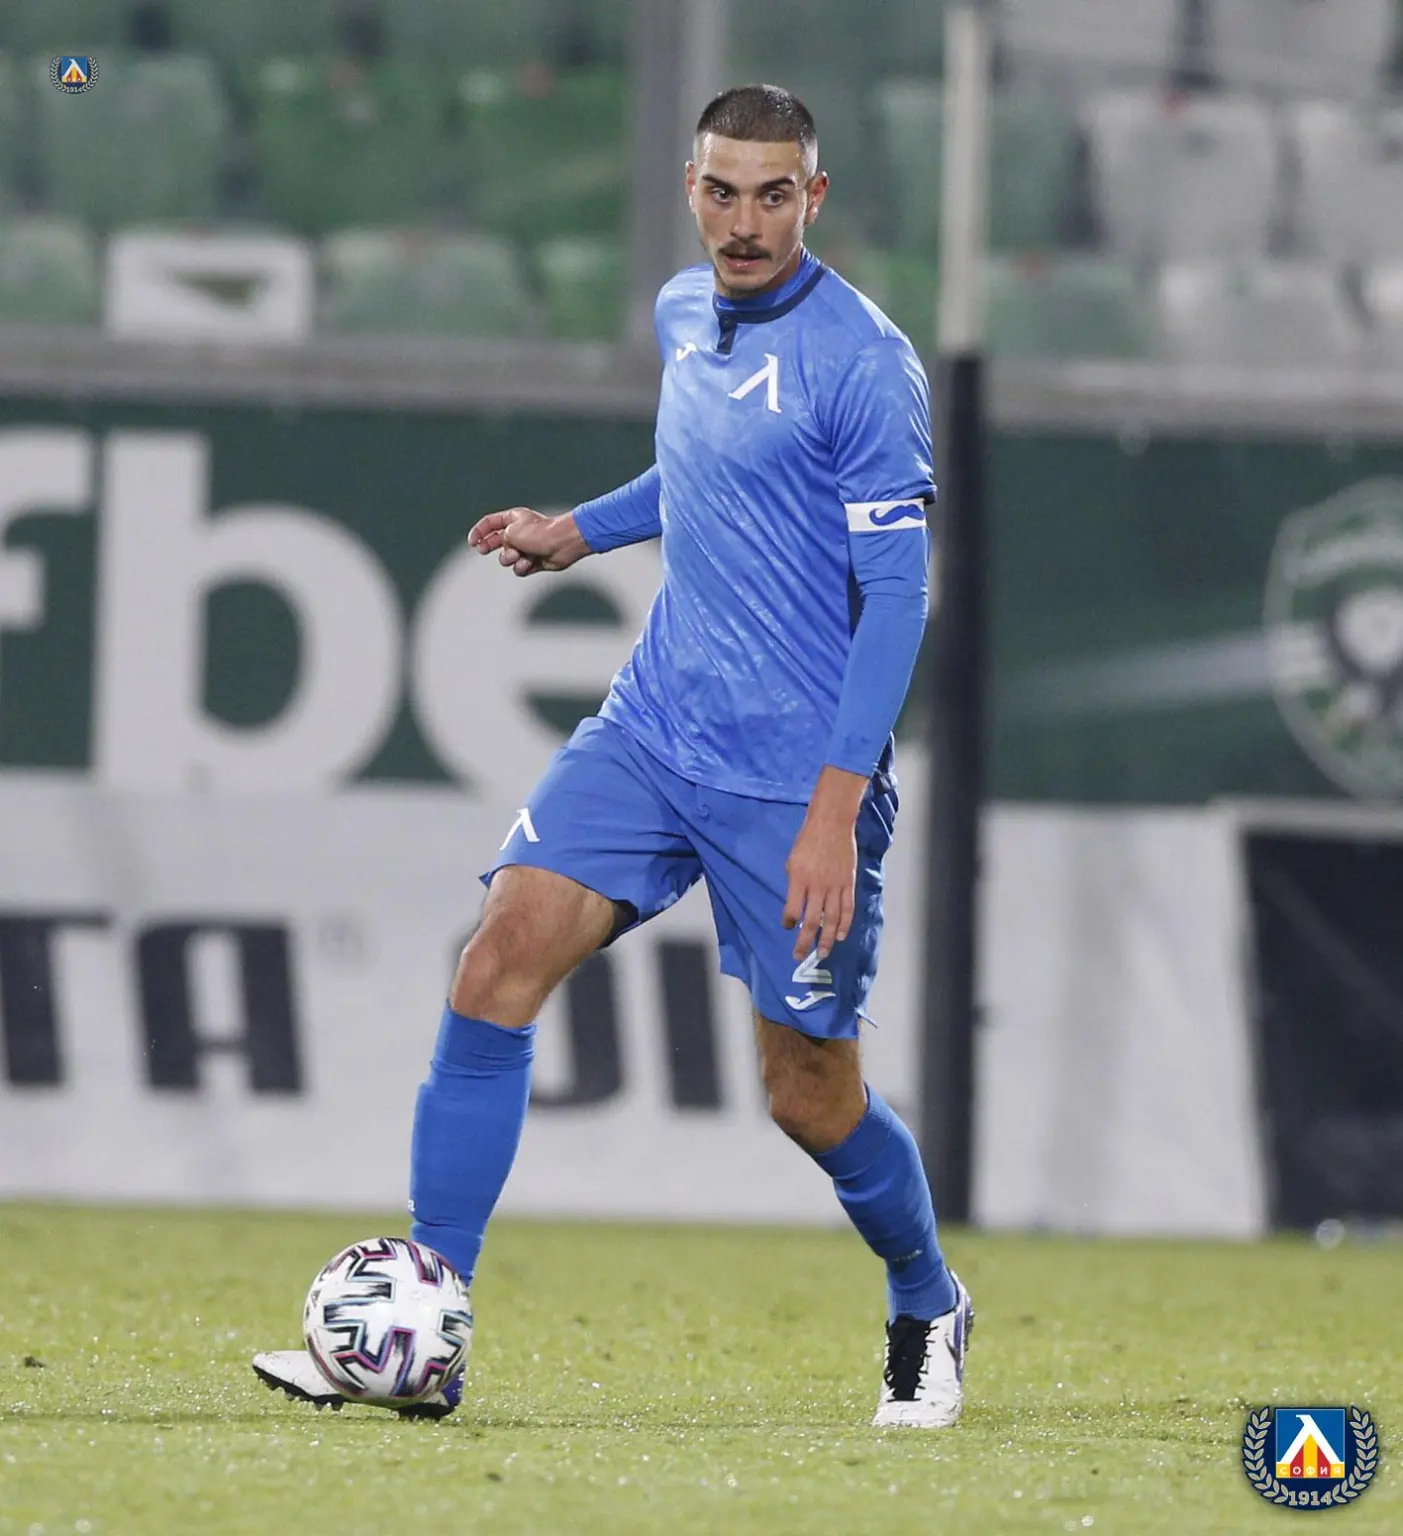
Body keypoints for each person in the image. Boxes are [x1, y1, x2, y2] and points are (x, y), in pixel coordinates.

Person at [253, 83, 971, 1430]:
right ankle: (428, 1329)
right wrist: (577, 529)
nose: (744, 222)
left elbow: (899, 597)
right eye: (722, 191)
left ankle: (927, 1302)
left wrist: (832, 812)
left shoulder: (865, 365)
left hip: (792, 779)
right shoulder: (682, 310)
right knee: (496, 961)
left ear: (813, 199)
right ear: (689, 188)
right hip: (654, 727)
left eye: (774, 195)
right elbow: (700, 475)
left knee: (806, 1096)